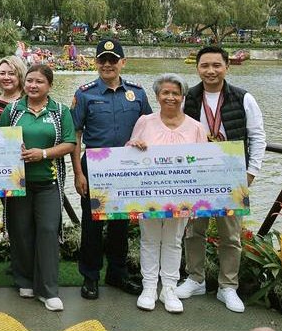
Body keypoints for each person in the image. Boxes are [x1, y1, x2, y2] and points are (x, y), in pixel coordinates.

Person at [175, 45, 267, 312]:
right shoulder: (188, 98)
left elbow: (258, 137)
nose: (211, 71)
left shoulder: (243, 98)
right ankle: (195, 279)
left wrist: (251, 173)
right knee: (193, 230)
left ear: (226, 66)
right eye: (205, 65)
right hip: (196, 174)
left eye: (216, 65)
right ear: (197, 68)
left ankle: (228, 286)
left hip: (232, 173)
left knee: (231, 235)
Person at [71, 37, 153, 300]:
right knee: (92, 225)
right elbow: (75, 134)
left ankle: (117, 273)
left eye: (113, 60)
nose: (108, 65)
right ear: (96, 63)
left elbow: (151, 127)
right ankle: (90, 276)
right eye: (103, 60)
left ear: (122, 62)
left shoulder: (138, 93)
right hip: (95, 167)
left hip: (128, 168)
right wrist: (78, 173)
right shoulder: (85, 93)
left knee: (121, 224)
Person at [0, 64, 76, 311]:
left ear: (49, 86)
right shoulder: (12, 110)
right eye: (30, 80)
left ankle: (48, 289)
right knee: (21, 230)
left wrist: (43, 153)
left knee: (47, 230)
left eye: (39, 82)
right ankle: (24, 279)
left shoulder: (60, 111)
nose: (33, 85)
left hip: (49, 181)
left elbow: (70, 143)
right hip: (19, 182)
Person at [128, 74, 207, 313]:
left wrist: (197, 203)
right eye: (165, 93)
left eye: (175, 93)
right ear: (157, 96)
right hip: (148, 194)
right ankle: (149, 287)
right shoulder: (145, 121)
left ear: (183, 96)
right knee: (149, 240)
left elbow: (204, 165)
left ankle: (169, 289)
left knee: (174, 241)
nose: (170, 97)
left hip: (181, 196)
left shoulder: (196, 127)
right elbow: (127, 153)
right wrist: (134, 146)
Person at [0, 55, 29, 125]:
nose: (6, 77)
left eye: (11, 74)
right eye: (2, 73)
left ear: (20, 76)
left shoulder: (27, 103)